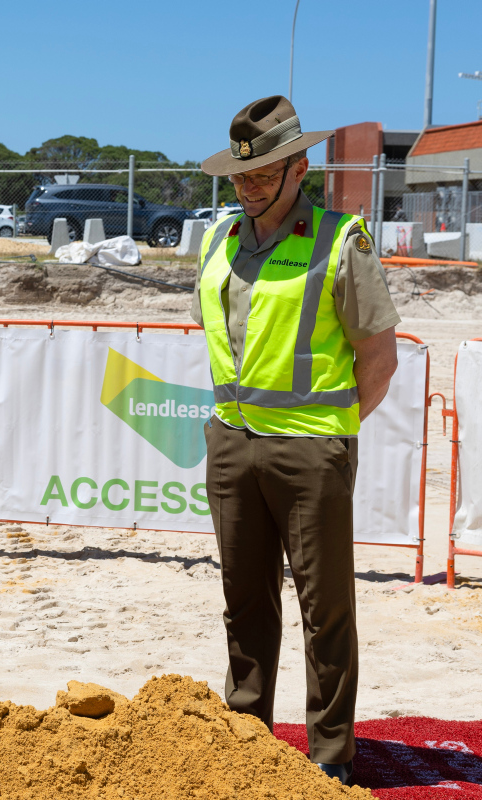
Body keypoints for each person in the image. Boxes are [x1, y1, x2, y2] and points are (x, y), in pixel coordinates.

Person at [195, 96, 400, 784]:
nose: (249, 189)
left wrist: (330, 433)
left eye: (262, 176)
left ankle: (331, 755)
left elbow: (378, 358)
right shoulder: (216, 238)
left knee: (325, 610)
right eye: (240, 178)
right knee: (244, 603)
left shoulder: (342, 241)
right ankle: (246, 738)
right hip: (231, 444)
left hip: (311, 450)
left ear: (298, 169)